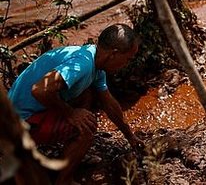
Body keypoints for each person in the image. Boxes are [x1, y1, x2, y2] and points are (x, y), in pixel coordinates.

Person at [8, 23, 143, 185]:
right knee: (87, 128)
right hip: (19, 123)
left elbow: (108, 103)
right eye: (128, 59)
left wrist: (130, 135)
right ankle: (64, 180)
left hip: (17, 113)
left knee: (87, 93)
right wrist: (71, 113)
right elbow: (39, 90)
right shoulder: (82, 65)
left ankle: (70, 151)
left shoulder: (94, 60)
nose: (127, 64)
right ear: (113, 54)